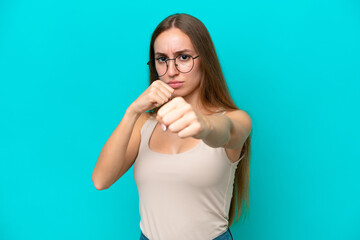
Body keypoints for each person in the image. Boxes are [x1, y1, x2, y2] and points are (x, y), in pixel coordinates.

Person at [92, 13, 252, 240]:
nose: (171, 70)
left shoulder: (237, 119)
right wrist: (132, 112)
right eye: (162, 59)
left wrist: (203, 126)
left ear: (204, 59)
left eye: (183, 57)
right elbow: (101, 180)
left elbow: (226, 130)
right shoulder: (143, 125)